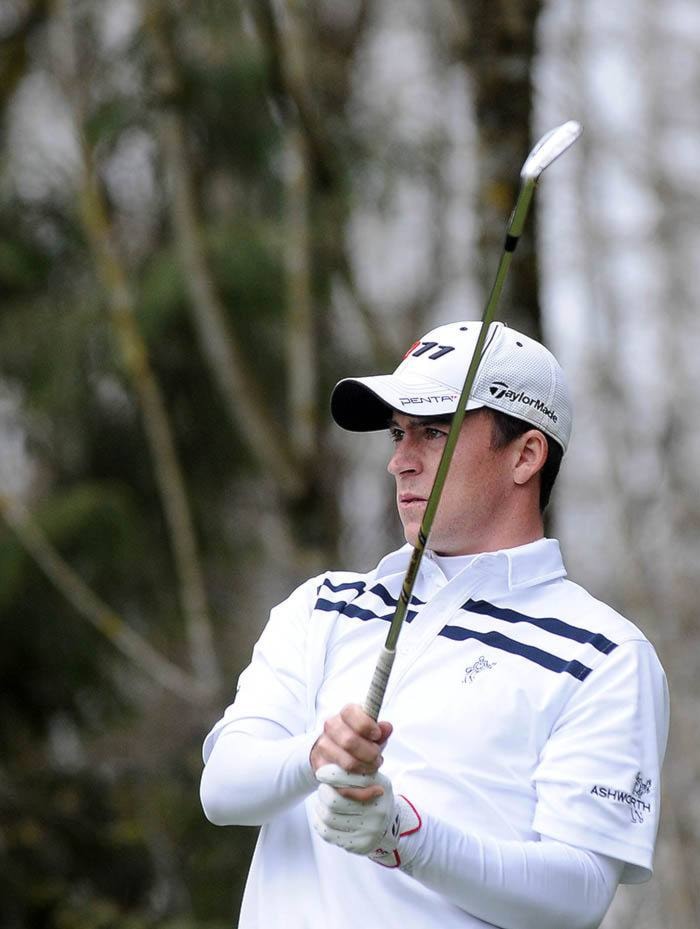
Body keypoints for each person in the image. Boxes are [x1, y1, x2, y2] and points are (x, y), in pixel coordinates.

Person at [200, 320, 669, 929]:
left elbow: (575, 895)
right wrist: (315, 755)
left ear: (526, 454)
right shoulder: (322, 606)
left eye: (432, 433)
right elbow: (222, 790)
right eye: (398, 433)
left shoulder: (606, 655)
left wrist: (407, 837)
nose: (399, 462)